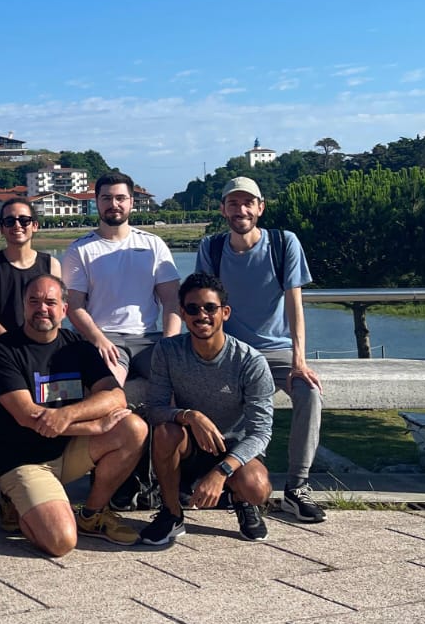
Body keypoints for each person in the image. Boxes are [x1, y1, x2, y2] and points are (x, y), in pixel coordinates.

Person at [0, 274, 148, 556]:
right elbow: (28, 416)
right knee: (61, 542)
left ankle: (92, 515)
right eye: (34, 301)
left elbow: (115, 396)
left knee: (134, 428)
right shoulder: (3, 349)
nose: (42, 308)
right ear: (24, 305)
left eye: (50, 302)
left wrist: (68, 414)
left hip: (66, 450)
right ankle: (15, 499)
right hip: (21, 460)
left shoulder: (78, 347)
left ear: (64, 309)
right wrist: (93, 427)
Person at [198, 177, 326, 523]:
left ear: (260, 208)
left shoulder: (284, 243)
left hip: (277, 351)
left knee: (310, 393)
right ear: (223, 209)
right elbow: (206, 305)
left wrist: (299, 360)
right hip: (232, 352)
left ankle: (297, 486)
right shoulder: (211, 248)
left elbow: (294, 303)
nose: (241, 210)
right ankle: (241, 487)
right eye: (233, 203)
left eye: (248, 203)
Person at [137, 272, 275, 546]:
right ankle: (171, 513)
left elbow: (261, 432)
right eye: (193, 309)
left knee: (257, 488)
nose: (202, 315)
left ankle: (241, 500)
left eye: (210, 308)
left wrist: (221, 471)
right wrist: (189, 416)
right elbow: (154, 409)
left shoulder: (250, 361)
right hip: (191, 444)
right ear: (182, 314)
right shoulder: (167, 351)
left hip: (234, 448)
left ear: (225, 312)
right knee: (165, 432)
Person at [62, 172, 181, 386]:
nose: (113, 204)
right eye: (106, 198)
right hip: (105, 337)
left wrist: (169, 344)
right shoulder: (79, 249)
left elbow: (172, 301)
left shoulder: (153, 245)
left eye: (120, 198)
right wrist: (99, 339)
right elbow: (74, 306)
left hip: (148, 338)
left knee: (177, 385)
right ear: (97, 201)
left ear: (131, 202)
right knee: (110, 388)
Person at [0, 199, 61, 353]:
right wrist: (18, 352)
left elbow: (56, 316)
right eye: (9, 221)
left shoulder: (51, 265)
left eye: (24, 220)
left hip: (43, 351)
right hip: (3, 350)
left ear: (34, 225)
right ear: (1, 228)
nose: (17, 225)